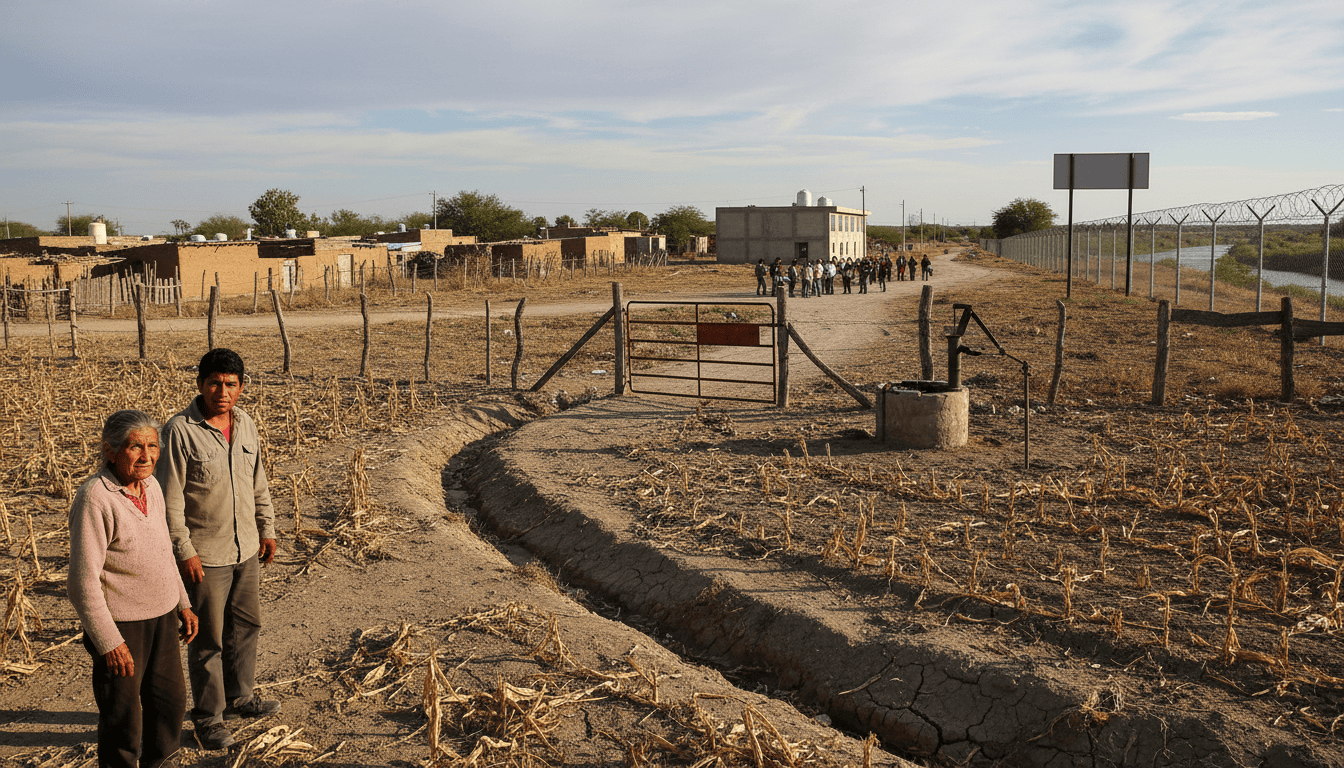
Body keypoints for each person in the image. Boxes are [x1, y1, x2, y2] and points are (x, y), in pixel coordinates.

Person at [158, 349, 279, 751]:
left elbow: (257, 482)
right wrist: (184, 550)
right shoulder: (179, 431)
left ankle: (240, 697)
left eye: (230, 384)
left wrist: (267, 528)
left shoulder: (246, 424)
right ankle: (208, 719)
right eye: (214, 382)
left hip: (246, 547)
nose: (221, 391)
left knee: (246, 627)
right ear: (200, 384)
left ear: (241, 387)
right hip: (205, 555)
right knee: (207, 639)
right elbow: (170, 501)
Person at [69, 410, 199, 768]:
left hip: (161, 618)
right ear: (111, 451)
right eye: (135, 447)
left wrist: (183, 603)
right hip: (122, 626)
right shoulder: (96, 498)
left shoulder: (152, 486)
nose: (146, 456)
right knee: (123, 717)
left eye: (152, 446)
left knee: (170, 700)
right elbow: (82, 583)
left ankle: (162, 762)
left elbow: (163, 551)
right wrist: (109, 641)